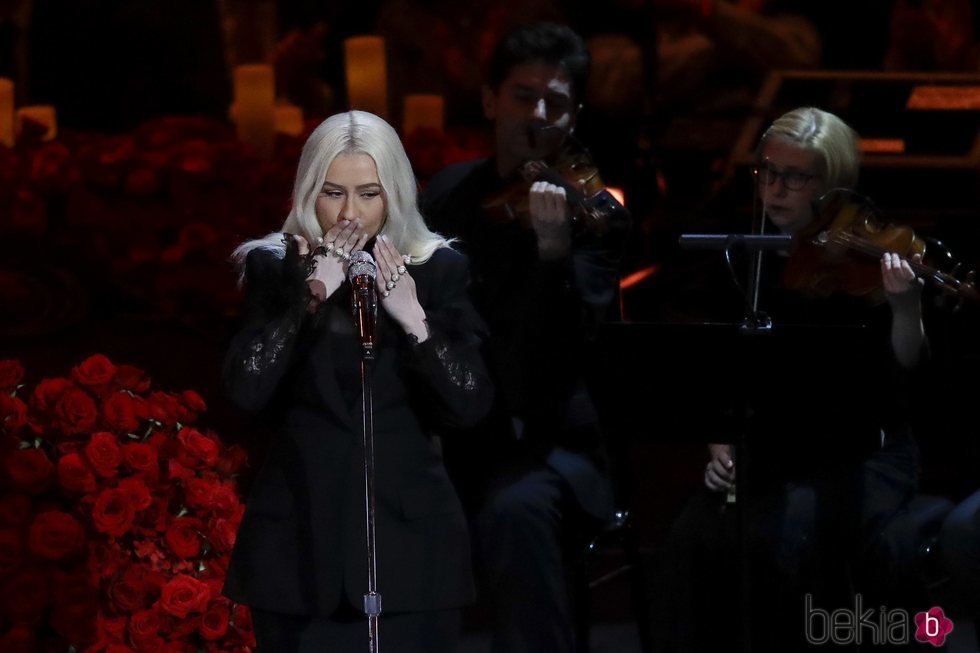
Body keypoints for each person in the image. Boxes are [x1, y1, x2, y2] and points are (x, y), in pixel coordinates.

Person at [651, 106, 928, 651]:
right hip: (771, 454)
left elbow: (904, 373)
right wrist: (719, 440)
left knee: (782, 540)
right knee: (688, 541)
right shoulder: (747, 255)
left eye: (796, 178)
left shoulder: (866, 260)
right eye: (767, 173)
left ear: (834, 185)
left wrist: (905, 308)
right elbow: (716, 371)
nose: (775, 190)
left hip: (860, 455)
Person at [221, 110, 494, 653]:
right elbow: (243, 392)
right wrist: (308, 300)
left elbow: (470, 406)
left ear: (392, 194)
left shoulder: (437, 271)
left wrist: (415, 319)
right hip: (299, 553)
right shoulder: (275, 271)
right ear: (308, 194)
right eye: (333, 193)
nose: (350, 213)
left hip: (413, 552)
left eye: (368, 194)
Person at [420, 22, 630, 653]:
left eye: (556, 102)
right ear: (489, 101)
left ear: (575, 115)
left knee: (516, 513)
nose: (539, 114)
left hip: (552, 448)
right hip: (462, 435)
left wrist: (553, 255)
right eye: (522, 96)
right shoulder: (450, 195)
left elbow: (569, 352)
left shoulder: (598, 216)